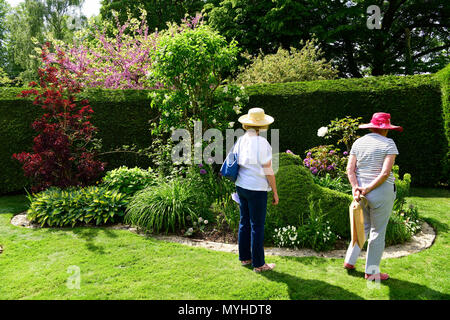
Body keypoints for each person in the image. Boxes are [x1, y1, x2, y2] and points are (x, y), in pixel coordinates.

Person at [344, 112, 403, 281]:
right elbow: (385, 173)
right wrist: (368, 188)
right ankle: (371, 272)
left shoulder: (358, 142)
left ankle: (349, 261)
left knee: (361, 227)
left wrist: (356, 188)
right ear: (385, 129)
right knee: (378, 231)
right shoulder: (389, 143)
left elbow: (350, 169)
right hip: (380, 192)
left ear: (371, 126)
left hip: (360, 192)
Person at [233, 108, 279, 273]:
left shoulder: (241, 140)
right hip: (257, 189)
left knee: (244, 222)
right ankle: (259, 264)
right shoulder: (262, 143)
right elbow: (268, 170)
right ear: (262, 125)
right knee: (257, 226)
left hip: (241, 186)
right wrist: (275, 191)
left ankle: (245, 258)